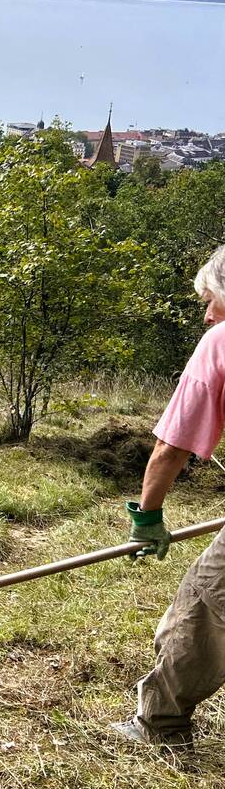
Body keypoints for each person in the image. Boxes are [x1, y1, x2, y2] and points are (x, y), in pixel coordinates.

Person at [111, 245, 225, 758]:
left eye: (211, 300)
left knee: (202, 603)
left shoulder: (219, 343)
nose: (206, 314)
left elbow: (171, 446)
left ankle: (161, 721)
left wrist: (148, 517)